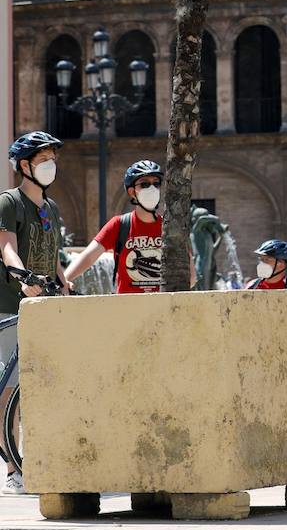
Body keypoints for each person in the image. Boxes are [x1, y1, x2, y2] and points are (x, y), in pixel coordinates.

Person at [1, 131, 72, 494]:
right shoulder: (9, 202)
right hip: (9, 306)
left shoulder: (51, 207)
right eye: (43, 160)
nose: (50, 166)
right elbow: (7, 248)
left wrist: (64, 281)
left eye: (52, 159)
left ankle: (42, 458)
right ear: (24, 166)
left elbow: (54, 251)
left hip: (43, 306)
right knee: (9, 389)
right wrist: (21, 274)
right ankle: (14, 469)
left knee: (42, 386)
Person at [65, 160, 165, 294]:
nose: (152, 188)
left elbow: (190, 275)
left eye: (156, 183)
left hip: (163, 307)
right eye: (145, 184)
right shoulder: (119, 225)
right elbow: (88, 256)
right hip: (126, 308)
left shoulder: (169, 228)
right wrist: (64, 280)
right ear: (132, 192)